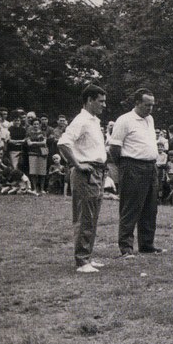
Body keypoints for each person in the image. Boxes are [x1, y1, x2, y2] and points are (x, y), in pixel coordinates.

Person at [57, 84, 108, 273]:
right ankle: (82, 260)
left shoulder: (94, 121)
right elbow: (63, 143)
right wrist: (77, 164)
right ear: (89, 100)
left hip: (98, 171)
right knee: (84, 216)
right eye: (100, 101)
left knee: (92, 216)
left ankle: (87, 257)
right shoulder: (81, 120)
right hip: (86, 172)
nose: (104, 105)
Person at [108, 88, 163, 258]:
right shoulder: (124, 120)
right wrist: (124, 166)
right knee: (130, 207)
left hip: (150, 166)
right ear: (137, 103)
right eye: (147, 105)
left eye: (152, 105)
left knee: (150, 208)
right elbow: (114, 148)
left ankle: (147, 244)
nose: (150, 108)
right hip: (132, 166)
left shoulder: (149, 119)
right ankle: (126, 247)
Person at [26, 119, 48, 193]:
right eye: (34, 124)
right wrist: (38, 143)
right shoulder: (29, 133)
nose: (36, 125)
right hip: (32, 153)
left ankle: (42, 189)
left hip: (42, 153)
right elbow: (29, 143)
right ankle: (34, 189)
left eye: (37, 124)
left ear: (39, 125)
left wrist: (33, 143)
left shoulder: (43, 133)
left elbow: (44, 142)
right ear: (32, 125)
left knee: (42, 172)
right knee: (33, 172)